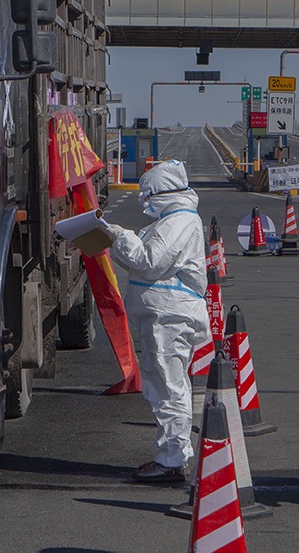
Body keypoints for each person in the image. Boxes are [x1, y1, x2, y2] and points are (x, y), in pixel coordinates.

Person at [99, 160, 208, 483]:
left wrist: (121, 236)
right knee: (163, 385)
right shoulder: (170, 221)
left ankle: (172, 459)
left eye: (148, 195)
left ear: (163, 193)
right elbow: (144, 263)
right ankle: (171, 454)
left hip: (170, 318)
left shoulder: (180, 222)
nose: (145, 201)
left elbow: (148, 261)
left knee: (168, 388)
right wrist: (115, 240)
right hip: (163, 318)